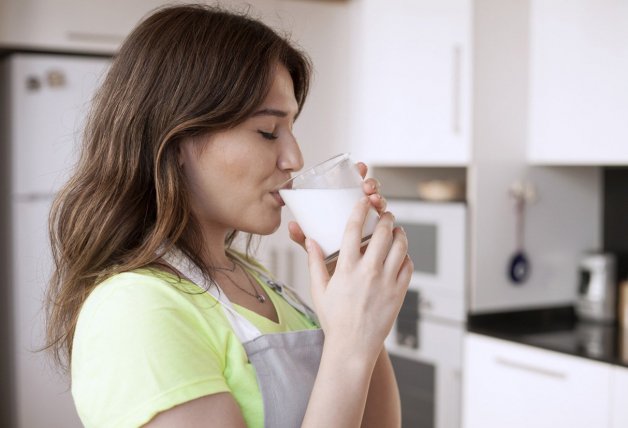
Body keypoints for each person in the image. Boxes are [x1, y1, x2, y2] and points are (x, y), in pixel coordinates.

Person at [45, 4, 413, 428]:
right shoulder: (133, 310)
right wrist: (348, 345)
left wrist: (355, 296)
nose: (294, 158)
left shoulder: (256, 281)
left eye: (292, 128)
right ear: (178, 141)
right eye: (268, 132)